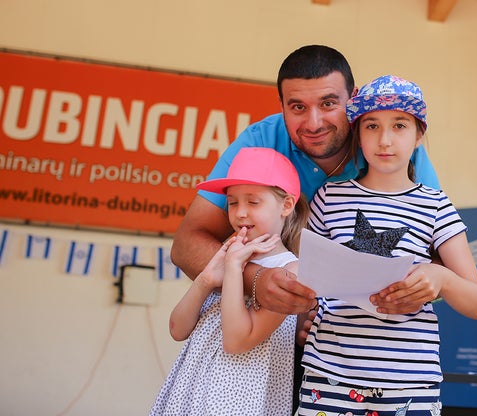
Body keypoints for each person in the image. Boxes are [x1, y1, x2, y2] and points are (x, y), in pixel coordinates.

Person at [171, 45, 440, 316]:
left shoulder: (393, 150)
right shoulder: (258, 141)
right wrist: (256, 280)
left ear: (353, 99)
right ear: (282, 106)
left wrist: (427, 283)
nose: (313, 123)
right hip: (274, 328)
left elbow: (441, 254)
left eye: (328, 103)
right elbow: (185, 245)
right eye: (298, 107)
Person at [298, 75, 477, 416]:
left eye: (399, 125)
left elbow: (476, 303)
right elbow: (305, 279)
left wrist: (440, 278)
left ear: (419, 136)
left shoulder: (437, 205)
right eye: (371, 126)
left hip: (411, 385)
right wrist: (302, 317)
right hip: (329, 378)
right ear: (357, 133)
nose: (384, 140)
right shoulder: (329, 197)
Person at [150, 147, 309, 416]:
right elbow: (177, 329)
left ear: (286, 205)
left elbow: (236, 342)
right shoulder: (229, 253)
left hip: (240, 398)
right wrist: (205, 281)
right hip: (193, 389)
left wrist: (235, 269)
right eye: (233, 202)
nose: (240, 213)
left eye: (253, 202)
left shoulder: (290, 270)